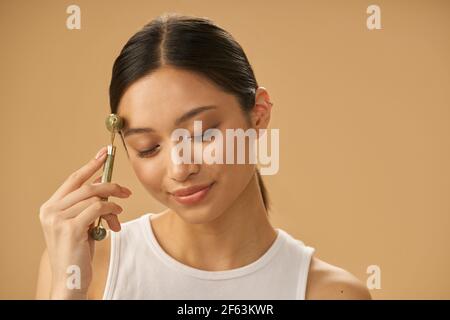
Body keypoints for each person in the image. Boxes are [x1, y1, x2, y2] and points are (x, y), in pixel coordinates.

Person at [36, 13, 371, 300]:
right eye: (148, 148)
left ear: (258, 113)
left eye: (201, 134)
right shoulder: (86, 266)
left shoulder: (329, 292)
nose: (180, 168)